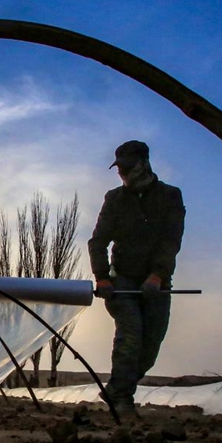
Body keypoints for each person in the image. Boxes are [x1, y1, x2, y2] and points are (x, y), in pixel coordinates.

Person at [88, 140, 186, 417]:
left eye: (128, 168)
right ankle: (122, 400)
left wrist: (157, 275)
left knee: (149, 346)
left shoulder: (170, 196)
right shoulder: (115, 199)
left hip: (157, 281)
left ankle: (117, 387)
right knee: (130, 335)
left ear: (144, 164)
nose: (123, 175)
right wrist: (102, 278)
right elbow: (98, 242)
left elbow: (171, 240)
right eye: (120, 170)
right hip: (122, 281)